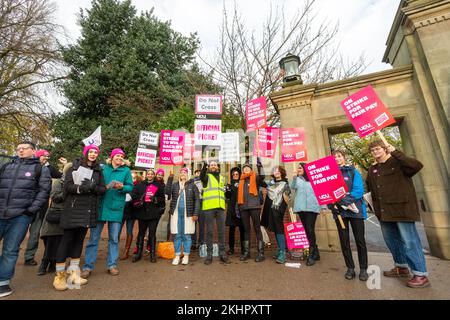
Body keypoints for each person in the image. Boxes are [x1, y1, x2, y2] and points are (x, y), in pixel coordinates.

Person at [366, 140, 429, 288]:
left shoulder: (398, 161)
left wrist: (395, 152)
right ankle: (401, 267)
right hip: (384, 211)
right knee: (392, 241)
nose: (375, 152)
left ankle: (421, 274)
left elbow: (416, 166)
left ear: (385, 149)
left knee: (410, 241)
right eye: (372, 150)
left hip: (402, 209)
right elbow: (371, 188)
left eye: (377, 149)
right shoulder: (372, 169)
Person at [0, 141, 51, 298]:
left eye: (24, 148)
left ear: (33, 151)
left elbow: (44, 192)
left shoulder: (40, 169)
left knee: (10, 250)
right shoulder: (7, 166)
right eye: (18, 149)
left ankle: (3, 283)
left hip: (20, 216)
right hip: (1, 212)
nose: (20, 151)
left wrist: (30, 211)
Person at [52, 144, 106, 291]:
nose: (93, 154)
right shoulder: (73, 167)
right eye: (91, 152)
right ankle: (60, 276)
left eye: (96, 152)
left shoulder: (98, 171)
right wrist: (82, 188)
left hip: (87, 212)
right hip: (73, 210)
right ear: (85, 153)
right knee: (66, 241)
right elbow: (67, 187)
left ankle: (74, 274)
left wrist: (93, 186)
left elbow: (102, 190)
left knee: (79, 241)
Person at [81, 149, 133, 278]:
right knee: (93, 239)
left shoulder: (125, 171)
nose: (120, 158)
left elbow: (130, 187)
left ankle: (112, 265)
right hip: (100, 207)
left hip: (116, 208)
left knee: (114, 239)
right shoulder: (103, 168)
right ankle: (88, 267)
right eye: (117, 156)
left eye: (122, 156)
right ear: (112, 157)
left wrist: (122, 188)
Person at [329, 150, 368, 281]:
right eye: (334, 157)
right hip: (340, 213)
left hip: (355, 211)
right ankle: (350, 268)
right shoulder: (329, 174)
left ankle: (363, 269)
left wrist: (342, 201)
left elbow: (358, 190)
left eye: (339, 156)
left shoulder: (353, 171)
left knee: (360, 240)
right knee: (344, 241)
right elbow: (326, 192)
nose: (337, 158)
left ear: (344, 158)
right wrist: (332, 205)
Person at [24, 150, 64, 266]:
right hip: (24, 206)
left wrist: (62, 165)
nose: (46, 158)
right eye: (44, 156)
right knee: (16, 234)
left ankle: (29, 257)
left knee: (35, 233)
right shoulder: (28, 167)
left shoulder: (48, 168)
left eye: (47, 156)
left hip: (40, 207)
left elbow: (60, 175)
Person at [37, 163, 72, 276]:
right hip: (55, 215)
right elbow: (55, 197)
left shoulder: (75, 183)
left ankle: (53, 263)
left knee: (61, 241)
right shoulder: (58, 182)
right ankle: (44, 263)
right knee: (51, 241)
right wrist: (68, 190)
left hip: (66, 216)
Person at [166, 167, 200, 265]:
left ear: (188, 174)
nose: (182, 174)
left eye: (184, 172)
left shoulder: (192, 186)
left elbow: (197, 200)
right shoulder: (175, 185)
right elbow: (167, 194)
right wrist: (170, 178)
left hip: (188, 215)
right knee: (177, 235)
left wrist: (195, 213)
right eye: (181, 172)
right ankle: (177, 255)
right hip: (176, 214)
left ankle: (186, 255)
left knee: (187, 235)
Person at [291, 163, 323, 266]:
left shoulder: (314, 180)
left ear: (305, 169)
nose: (298, 169)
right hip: (301, 208)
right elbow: (293, 187)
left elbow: (321, 192)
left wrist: (323, 207)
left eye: (300, 168)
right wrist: (294, 177)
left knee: (310, 229)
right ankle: (316, 252)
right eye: (298, 168)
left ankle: (311, 254)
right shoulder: (298, 179)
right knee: (307, 230)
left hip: (312, 208)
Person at [131, 169, 166, 263]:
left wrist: (155, 199)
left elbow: (162, 199)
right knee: (141, 233)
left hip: (153, 214)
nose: (150, 175)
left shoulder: (158, 185)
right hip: (142, 213)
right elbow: (133, 195)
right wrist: (140, 199)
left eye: (152, 174)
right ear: (146, 175)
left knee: (152, 234)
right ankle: (138, 253)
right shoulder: (140, 184)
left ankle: (152, 254)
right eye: (149, 174)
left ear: (154, 175)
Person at [200, 160, 228, 265]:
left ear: (218, 167)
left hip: (220, 208)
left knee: (221, 231)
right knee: (210, 232)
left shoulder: (222, 178)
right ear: (209, 167)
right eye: (211, 165)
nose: (213, 166)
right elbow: (202, 176)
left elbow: (223, 191)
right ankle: (209, 255)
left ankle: (222, 253)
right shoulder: (206, 177)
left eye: (215, 165)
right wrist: (204, 167)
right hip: (209, 208)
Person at [260, 166, 291, 264]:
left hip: (278, 209)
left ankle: (283, 252)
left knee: (279, 229)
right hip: (270, 209)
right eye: (274, 170)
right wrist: (259, 165)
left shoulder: (285, 184)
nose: (276, 172)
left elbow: (287, 198)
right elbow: (260, 182)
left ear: (281, 172)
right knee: (275, 229)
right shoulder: (271, 183)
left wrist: (280, 210)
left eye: (278, 170)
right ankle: (280, 249)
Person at [237, 163, 265, 262]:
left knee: (257, 228)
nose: (246, 169)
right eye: (244, 168)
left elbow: (262, 177)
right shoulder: (240, 179)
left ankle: (261, 253)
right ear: (243, 170)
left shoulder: (256, 178)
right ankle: (246, 253)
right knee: (246, 230)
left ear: (251, 169)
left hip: (255, 207)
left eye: (248, 168)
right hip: (243, 207)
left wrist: (260, 166)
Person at [120, 170, 142, 260]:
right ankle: (113, 250)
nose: (132, 179)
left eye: (134, 177)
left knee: (129, 231)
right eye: (131, 177)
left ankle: (126, 251)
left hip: (131, 213)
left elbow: (135, 198)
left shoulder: (138, 186)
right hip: (122, 212)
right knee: (117, 231)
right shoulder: (124, 185)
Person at [224, 167, 245, 256]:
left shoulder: (243, 183)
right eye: (233, 174)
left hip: (241, 208)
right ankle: (231, 249)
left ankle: (244, 249)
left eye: (237, 174)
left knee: (242, 230)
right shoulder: (229, 184)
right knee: (231, 230)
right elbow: (227, 196)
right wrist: (227, 189)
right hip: (232, 209)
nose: (235, 175)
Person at [191, 169, 203, 250]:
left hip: (202, 203)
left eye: (199, 173)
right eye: (196, 172)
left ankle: (201, 242)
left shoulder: (204, 181)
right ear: (194, 174)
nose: (198, 174)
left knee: (201, 225)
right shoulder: (191, 182)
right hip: (194, 203)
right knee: (193, 225)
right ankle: (193, 243)